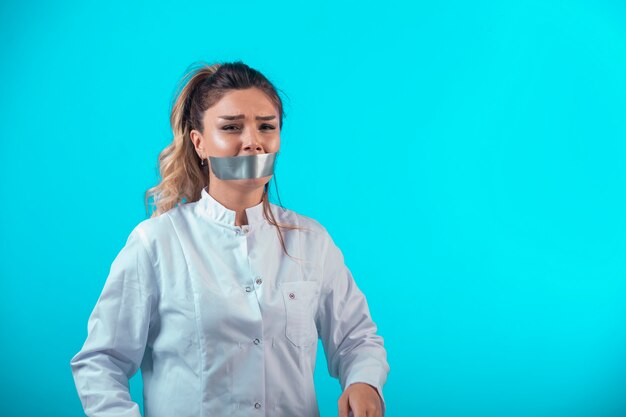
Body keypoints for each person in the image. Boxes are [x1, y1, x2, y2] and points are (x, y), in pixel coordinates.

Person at [70, 60, 390, 417]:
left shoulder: (311, 241)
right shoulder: (156, 243)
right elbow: (101, 362)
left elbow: (356, 339)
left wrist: (364, 382)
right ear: (200, 143)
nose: (252, 142)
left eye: (266, 127)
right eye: (232, 127)